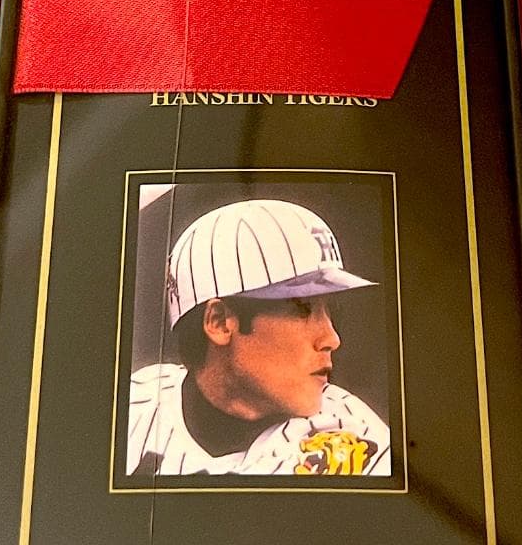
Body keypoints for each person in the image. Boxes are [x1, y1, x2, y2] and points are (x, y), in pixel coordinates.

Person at [127, 198, 390, 477]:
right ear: (219, 322)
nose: (331, 339)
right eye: (302, 309)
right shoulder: (132, 407)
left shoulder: (358, 440)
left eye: (328, 310)